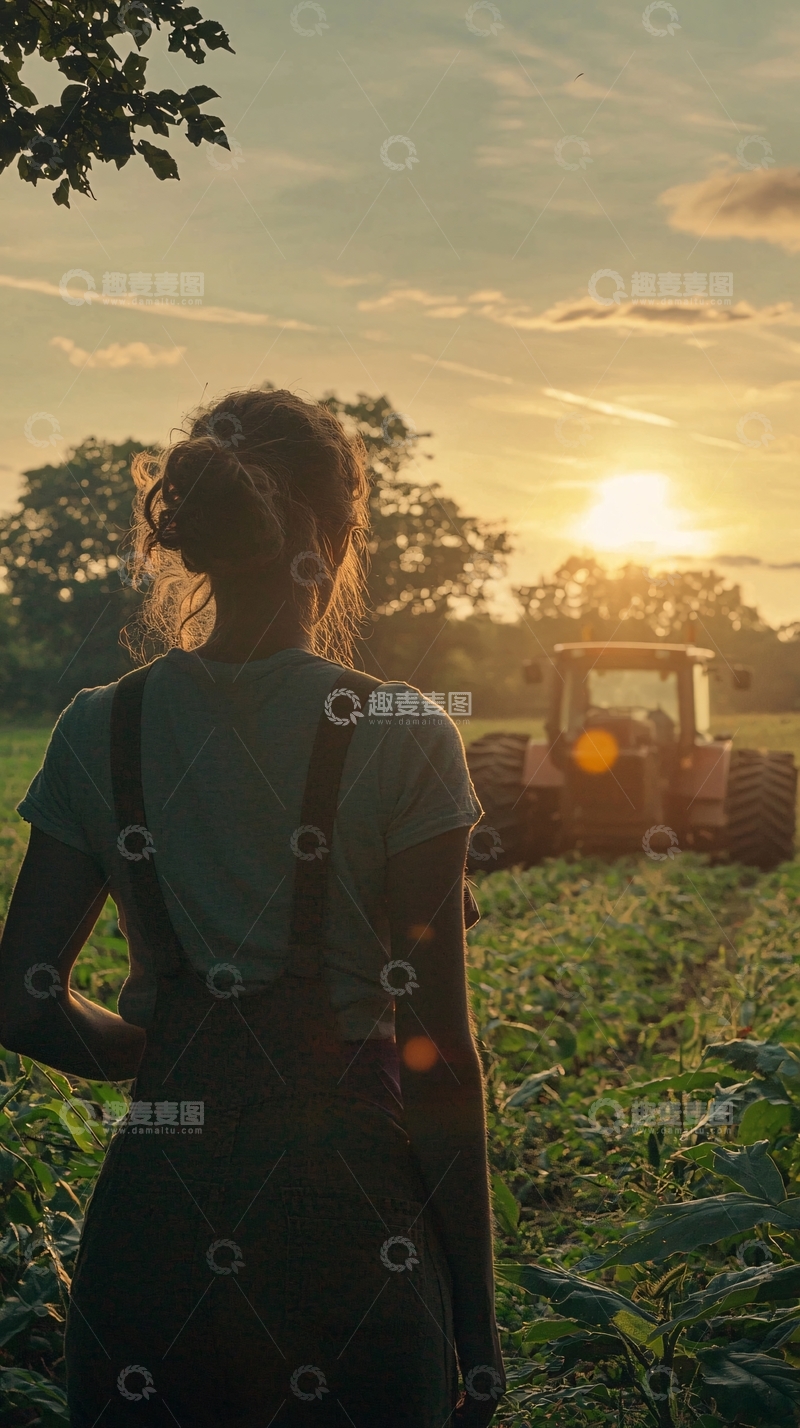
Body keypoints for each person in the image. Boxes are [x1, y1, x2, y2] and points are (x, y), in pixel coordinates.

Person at [0, 389, 505, 1426]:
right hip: (347, 1213)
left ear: (190, 539)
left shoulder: (97, 726)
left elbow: (21, 1000)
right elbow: (437, 1056)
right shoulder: (403, 733)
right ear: (337, 536)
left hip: (153, 1211)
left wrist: (168, 1052)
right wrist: (475, 1325)